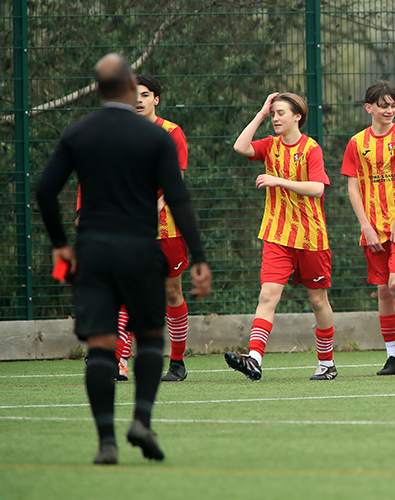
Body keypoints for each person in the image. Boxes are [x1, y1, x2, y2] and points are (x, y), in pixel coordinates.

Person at [36, 53, 212, 464]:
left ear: (97, 89)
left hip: (92, 250)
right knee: (150, 335)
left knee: (100, 345)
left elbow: (45, 190)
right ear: (132, 88)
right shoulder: (155, 137)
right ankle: (142, 421)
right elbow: (180, 199)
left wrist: (61, 244)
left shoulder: (79, 132)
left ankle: (105, 443)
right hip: (140, 248)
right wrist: (199, 255)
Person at [224, 92, 338, 381]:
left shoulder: (311, 148)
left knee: (318, 301)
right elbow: (240, 146)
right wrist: (260, 113)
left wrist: (278, 181)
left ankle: (326, 363)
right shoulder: (270, 145)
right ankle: (254, 359)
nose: (276, 118)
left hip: (311, 236)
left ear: (297, 117)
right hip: (277, 234)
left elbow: (317, 188)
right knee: (267, 295)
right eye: (273, 114)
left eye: (280, 113)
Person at [341, 80, 395, 375]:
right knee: (382, 292)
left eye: (393, 105)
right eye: (383, 106)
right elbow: (353, 188)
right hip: (373, 229)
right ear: (369, 108)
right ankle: (392, 356)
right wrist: (365, 225)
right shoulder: (356, 143)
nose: (389, 110)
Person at [109, 75, 193, 382]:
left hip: (167, 229)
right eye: (134, 95)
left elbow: (175, 181)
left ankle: (178, 363)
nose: (139, 100)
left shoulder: (172, 133)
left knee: (173, 293)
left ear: (156, 99)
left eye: (145, 95)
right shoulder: (119, 133)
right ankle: (119, 362)